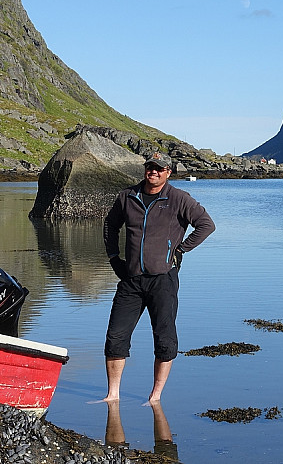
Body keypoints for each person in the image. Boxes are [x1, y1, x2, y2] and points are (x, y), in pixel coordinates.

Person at [102, 151, 215, 403]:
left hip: (163, 279)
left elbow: (206, 224)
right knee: (115, 338)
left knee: (164, 340)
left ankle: (155, 397)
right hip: (130, 280)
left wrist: (181, 249)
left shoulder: (178, 199)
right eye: (150, 167)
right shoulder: (127, 197)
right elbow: (110, 225)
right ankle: (113, 395)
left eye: (159, 169)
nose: (154, 171)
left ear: (168, 173)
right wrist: (113, 257)